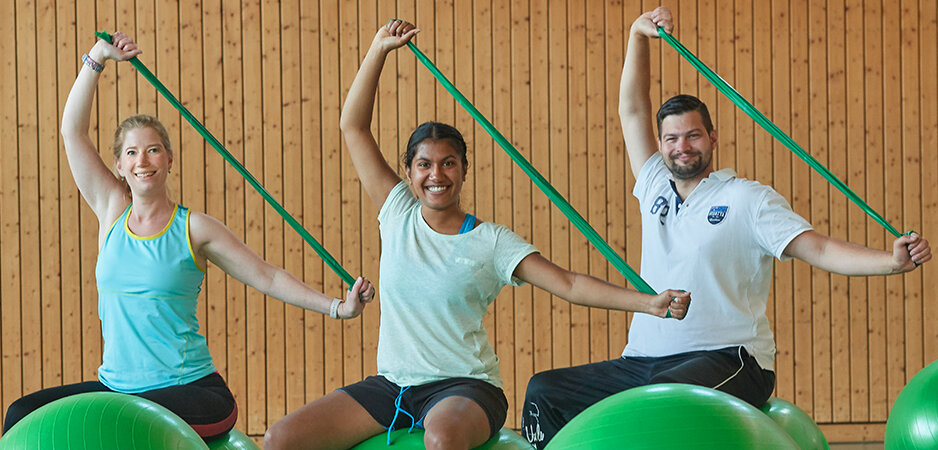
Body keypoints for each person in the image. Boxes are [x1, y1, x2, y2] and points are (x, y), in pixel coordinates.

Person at [263, 19, 691, 450]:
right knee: (280, 439)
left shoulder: (492, 241)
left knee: (442, 439)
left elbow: (569, 283)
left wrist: (649, 303)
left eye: (448, 163)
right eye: (425, 164)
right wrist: (378, 50)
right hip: (394, 385)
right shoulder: (397, 213)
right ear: (409, 173)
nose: (436, 174)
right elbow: (352, 127)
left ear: (464, 170)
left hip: (466, 389)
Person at [520, 6, 933, 449]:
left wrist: (889, 262)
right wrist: (637, 38)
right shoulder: (654, 182)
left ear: (712, 139)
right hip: (644, 361)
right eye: (672, 139)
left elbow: (820, 248)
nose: (682, 147)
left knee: (659, 407)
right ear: (661, 146)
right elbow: (633, 110)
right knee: (544, 391)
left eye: (693, 136)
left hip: (730, 358)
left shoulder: (746, 198)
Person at [1, 32, 375, 442]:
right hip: (118, 388)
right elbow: (72, 132)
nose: (142, 160)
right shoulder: (110, 211)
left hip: (192, 393)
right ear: (119, 165)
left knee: (132, 422)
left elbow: (266, 276)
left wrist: (339, 307)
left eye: (153, 150)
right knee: (21, 413)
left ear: (170, 159)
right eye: (131, 153)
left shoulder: (193, 227)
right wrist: (97, 58)